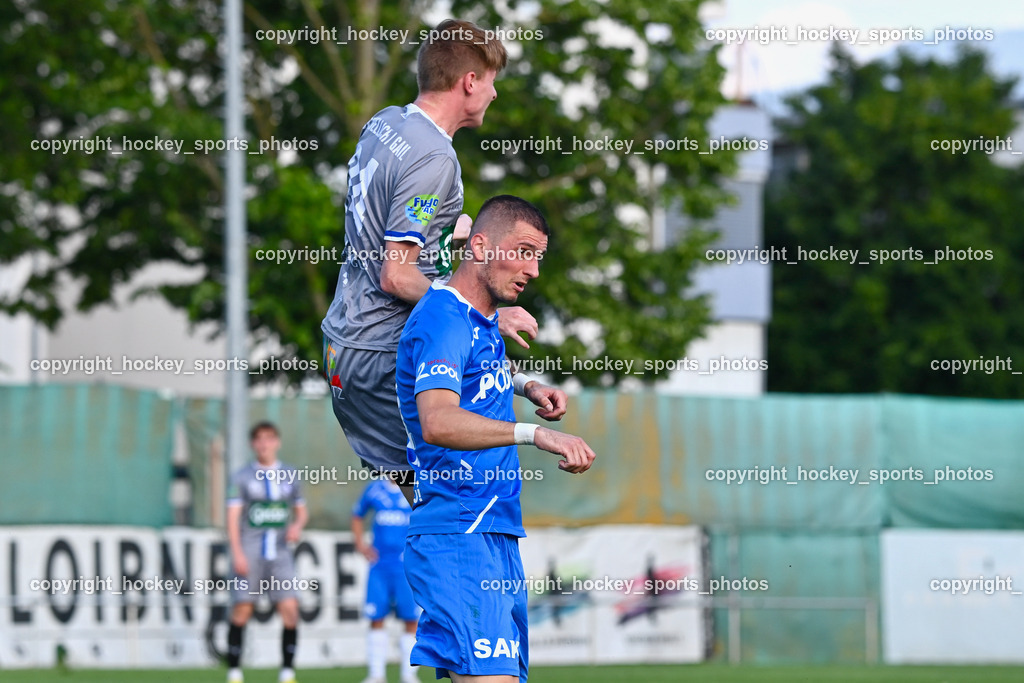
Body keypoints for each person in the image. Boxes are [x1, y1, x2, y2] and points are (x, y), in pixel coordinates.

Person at [321, 18, 537, 503]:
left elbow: (386, 229)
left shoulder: (387, 123)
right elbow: (396, 274)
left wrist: (446, 236)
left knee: (426, 500)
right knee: (451, 499)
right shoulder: (435, 158)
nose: (495, 95)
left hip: (345, 341)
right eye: (493, 82)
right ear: (470, 82)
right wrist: (487, 315)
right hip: (379, 348)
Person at [396, 195, 597, 682]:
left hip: (494, 530)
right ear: (480, 246)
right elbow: (438, 420)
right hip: (458, 531)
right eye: (524, 251)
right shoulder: (442, 317)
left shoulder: (480, 322)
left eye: (539, 257)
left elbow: (480, 371)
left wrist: (528, 386)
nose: (532, 268)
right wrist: (535, 434)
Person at [225, 421, 308, 683]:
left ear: (277, 442)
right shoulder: (241, 477)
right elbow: (232, 518)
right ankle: (234, 670)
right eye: (259, 439)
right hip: (250, 552)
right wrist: (237, 553)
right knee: (243, 608)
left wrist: (296, 525)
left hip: (281, 554)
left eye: (269, 438)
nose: (264, 444)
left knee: (290, 609)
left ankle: (287, 671)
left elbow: (301, 510)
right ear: (253, 444)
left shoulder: (290, 475)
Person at [352, 477, 420, 683]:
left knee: (411, 620)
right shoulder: (374, 489)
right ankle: (376, 674)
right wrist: (360, 544)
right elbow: (357, 515)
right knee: (376, 617)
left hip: (406, 566)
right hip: (379, 566)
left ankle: (408, 675)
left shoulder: (416, 486)